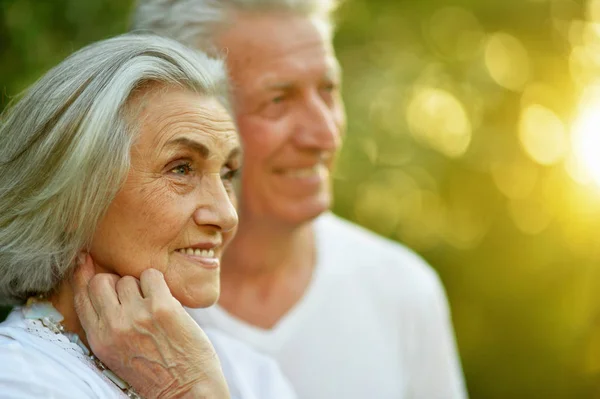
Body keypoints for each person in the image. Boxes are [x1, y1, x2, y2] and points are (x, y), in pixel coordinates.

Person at [132, 1, 468, 398]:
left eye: (328, 90)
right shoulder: (119, 312)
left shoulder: (402, 291)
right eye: (278, 100)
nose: (324, 134)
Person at [0, 33, 297, 399]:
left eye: (228, 173)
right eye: (182, 168)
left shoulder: (251, 376)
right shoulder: (18, 380)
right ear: (73, 193)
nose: (226, 214)